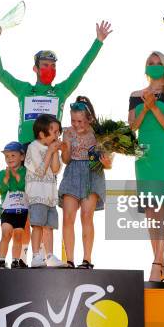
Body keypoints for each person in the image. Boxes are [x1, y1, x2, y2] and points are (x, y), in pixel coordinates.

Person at [0, 20, 112, 263]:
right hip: (28, 152)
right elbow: (0, 73)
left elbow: (80, 70)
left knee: (45, 203)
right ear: (35, 68)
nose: (50, 69)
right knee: (24, 204)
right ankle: (22, 254)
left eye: (53, 66)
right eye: (45, 65)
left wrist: (98, 42)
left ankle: (47, 254)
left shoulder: (60, 92)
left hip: (52, 152)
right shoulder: (24, 90)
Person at [128, 52, 164, 282]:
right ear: (146, 67)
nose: (155, 67)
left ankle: (157, 263)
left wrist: (155, 107)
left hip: (162, 153)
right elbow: (132, 127)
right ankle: (160, 263)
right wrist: (145, 106)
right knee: (150, 211)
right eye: (151, 63)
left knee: (161, 208)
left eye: (159, 63)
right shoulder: (134, 95)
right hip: (142, 155)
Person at [59, 97, 112, 269]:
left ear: (88, 118)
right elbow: (65, 160)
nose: (76, 124)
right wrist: (65, 148)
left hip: (92, 173)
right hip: (72, 171)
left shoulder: (99, 133)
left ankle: (87, 260)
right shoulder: (67, 131)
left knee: (86, 216)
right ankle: (69, 260)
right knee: (68, 217)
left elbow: (109, 162)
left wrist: (106, 162)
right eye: (73, 120)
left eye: (80, 121)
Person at [25, 114, 64, 268]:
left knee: (49, 227)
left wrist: (55, 151)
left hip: (50, 195)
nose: (57, 135)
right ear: (42, 134)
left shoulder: (53, 149)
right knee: (37, 225)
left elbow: (55, 169)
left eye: (58, 132)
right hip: (36, 195)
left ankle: (49, 255)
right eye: (54, 131)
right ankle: (36, 255)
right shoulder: (33, 147)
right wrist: (50, 151)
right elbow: (40, 171)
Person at [0, 141, 29, 269]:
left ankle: (15, 260)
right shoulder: (2, 173)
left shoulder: (26, 172)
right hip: (7, 210)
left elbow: (24, 186)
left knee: (18, 235)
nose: (9, 159)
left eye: (13, 155)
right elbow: (0, 189)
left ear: (22, 157)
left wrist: (15, 175)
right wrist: (6, 179)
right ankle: (1, 261)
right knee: (6, 233)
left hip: (21, 210)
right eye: (7, 156)